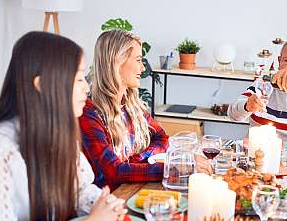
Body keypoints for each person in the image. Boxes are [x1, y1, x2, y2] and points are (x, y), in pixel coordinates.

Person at [0, 31, 126, 221]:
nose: (87, 87)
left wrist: (103, 205)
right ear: (43, 84)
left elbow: (80, 189)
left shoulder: (60, 131)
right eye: (79, 78)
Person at [80, 29, 210, 190]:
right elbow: (112, 171)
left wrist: (138, 159)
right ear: (116, 61)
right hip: (110, 201)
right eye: (138, 60)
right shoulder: (89, 112)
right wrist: (175, 167)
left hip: (134, 189)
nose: (142, 68)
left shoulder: (130, 104)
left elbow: (162, 138)